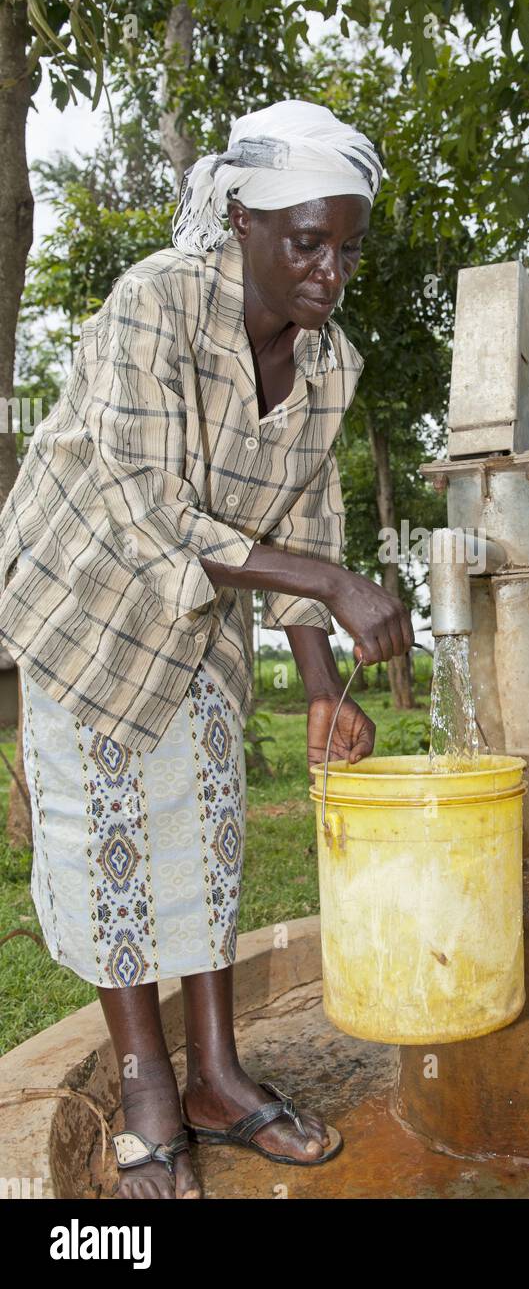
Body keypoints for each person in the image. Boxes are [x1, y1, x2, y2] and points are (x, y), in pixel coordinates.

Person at [0, 99, 414, 1198]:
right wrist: (327, 582)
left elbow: (312, 521)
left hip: (197, 621)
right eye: (306, 241)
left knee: (208, 837)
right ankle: (147, 1087)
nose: (330, 269)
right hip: (86, 603)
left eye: (347, 246)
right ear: (242, 220)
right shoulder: (155, 302)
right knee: (112, 845)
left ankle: (217, 1078)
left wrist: (322, 687)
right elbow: (147, 505)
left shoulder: (329, 364)